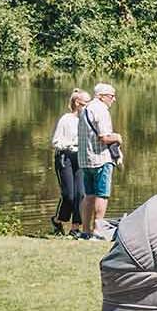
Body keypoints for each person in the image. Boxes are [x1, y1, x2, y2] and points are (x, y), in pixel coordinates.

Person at [78, 82, 122, 241]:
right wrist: (117, 137)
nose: (114, 99)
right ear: (101, 96)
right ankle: (98, 230)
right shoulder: (101, 110)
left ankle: (85, 231)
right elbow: (104, 137)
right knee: (102, 195)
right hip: (101, 159)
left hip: (85, 160)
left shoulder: (85, 109)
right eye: (111, 96)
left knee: (88, 195)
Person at [50, 89, 90, 237]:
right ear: (77, 103)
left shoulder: (87, 120)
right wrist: (68, 146)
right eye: (86, 104)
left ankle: (75, 228)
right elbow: (55, 141)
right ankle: (58, 220)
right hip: (65, 158)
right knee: (69, 195)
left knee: (81, 194)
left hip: (80, 159)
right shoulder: (66, 119)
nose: (88, 107)